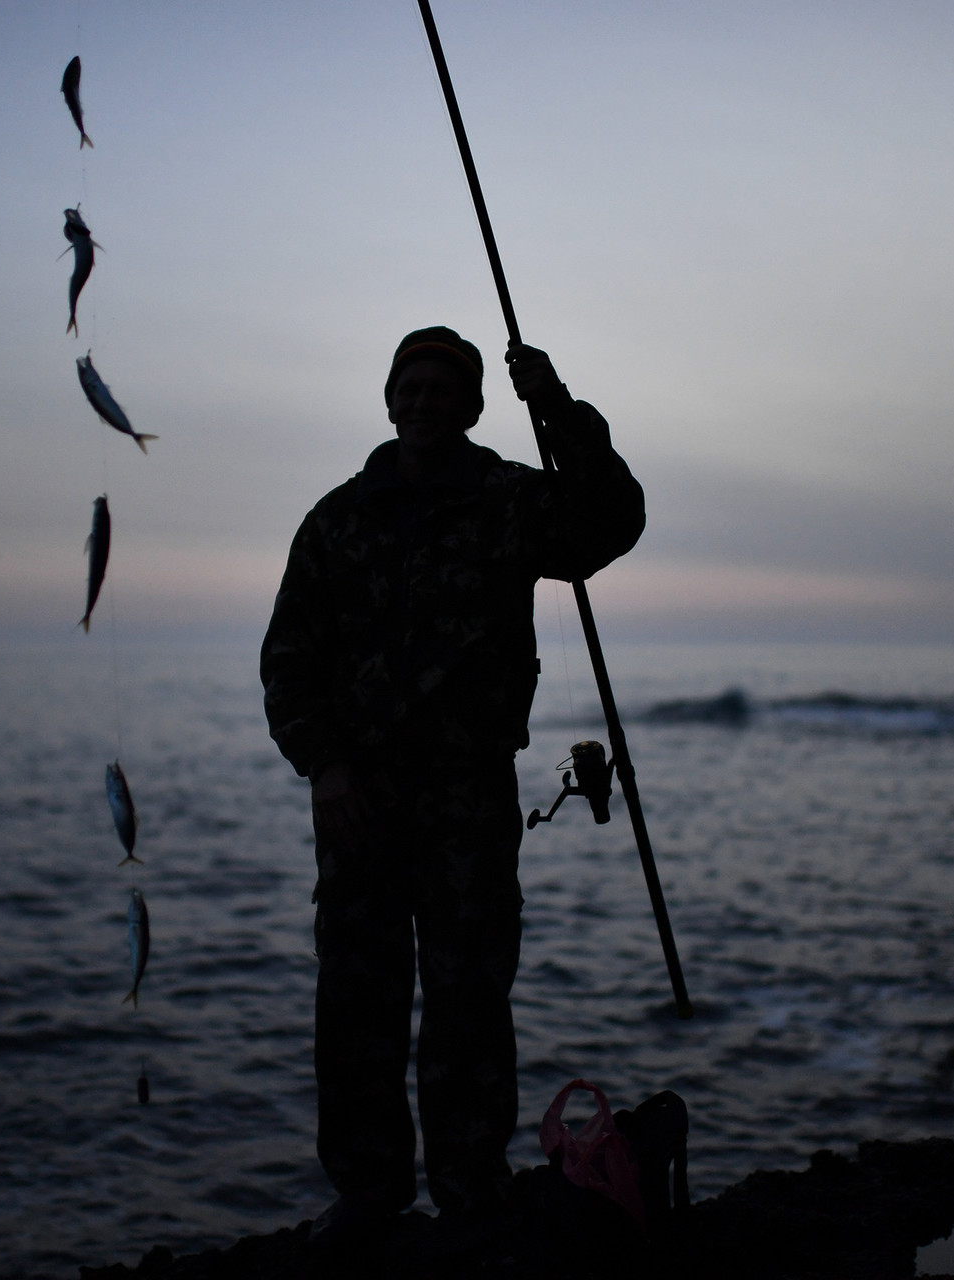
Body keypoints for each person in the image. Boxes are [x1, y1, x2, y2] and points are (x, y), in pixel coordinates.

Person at [260, 326, 645, 1243]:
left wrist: (554, 404)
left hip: (468, 798)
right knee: (357, 1000)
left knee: (471, 999)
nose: (426, 402)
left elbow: (609, 520)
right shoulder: (336, 519)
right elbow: (288, 656)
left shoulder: (511, 501)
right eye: (412, 388)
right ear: (390, 401)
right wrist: (326, 764)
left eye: (446, 390)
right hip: (358, 804)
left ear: (473, 407)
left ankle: (472, 1188)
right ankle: (368, 1191)